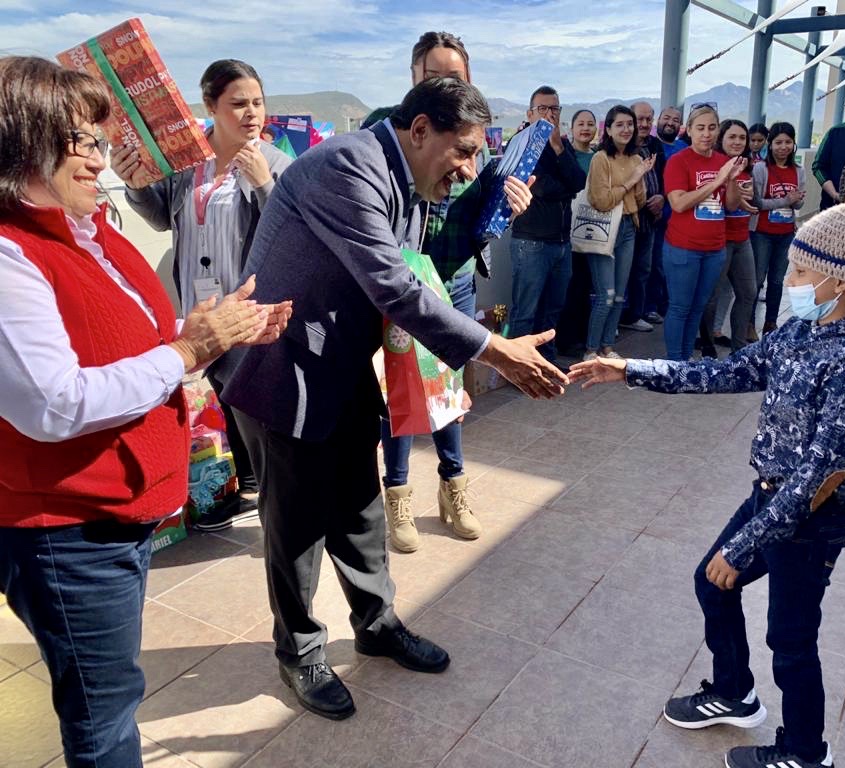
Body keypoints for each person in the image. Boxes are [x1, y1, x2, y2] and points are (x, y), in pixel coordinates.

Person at [220, 77, 569, 722]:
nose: (466, 170)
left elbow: (423, 267)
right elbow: (395, 288)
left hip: (341, 362)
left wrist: (494, 209)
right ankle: (300, 651)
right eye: (463, 152)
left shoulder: (407, 180)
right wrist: (496, 351)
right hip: (283, 364)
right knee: (296, 524)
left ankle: (376, 625)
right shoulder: (350, 166)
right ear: (421, 130)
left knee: (360, 506)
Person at [0, 56, 290, 767]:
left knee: (112, 696)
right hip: (67, 530)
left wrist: (217, 328)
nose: (100, 159)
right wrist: (190, 350)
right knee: (103, 720)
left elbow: (130, 335)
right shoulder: (11, 252)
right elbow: (55, 402)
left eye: (99, 140)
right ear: (24, 139)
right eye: (82, 140)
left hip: (114, 516)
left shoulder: (83, 228)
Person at [569, 204, 845, 768]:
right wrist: (631, 370)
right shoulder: (801, 332)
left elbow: (816, 481)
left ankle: (804, 753)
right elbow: (729, 370)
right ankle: (733, 692)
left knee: (791, 639)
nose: (790, 280)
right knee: (713, 582)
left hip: (810, 521)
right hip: (769, 497)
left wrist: (744, 545)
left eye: (801, 271)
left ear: (841, 280)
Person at [361, 32, 534, 553]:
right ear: (413, 77)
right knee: (398, 388)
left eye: (453, 77)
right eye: (432, 75)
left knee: (448, 391)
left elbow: (481, 214)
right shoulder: (385, 128)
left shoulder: (476, 138)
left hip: (454, 278)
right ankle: (397, 494)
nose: (442, 85)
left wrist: (508, 206)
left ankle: (453, 487)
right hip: (401, 283)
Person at [113, 59, 292, 532]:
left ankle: (278, 507)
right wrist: (135, 185)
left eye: (258, 103)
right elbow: (159, 217)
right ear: (210, 107)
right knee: (222, 399)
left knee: (252, 407)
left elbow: (291, 231)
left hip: (247, 310)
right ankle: (247, 489)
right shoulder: (186, 163)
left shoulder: (274, 163)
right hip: (199, 306)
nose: (252, 114)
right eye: (238, 104)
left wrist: (264, 184)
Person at [507, 85, 587, 364]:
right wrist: (567, 186)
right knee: (525, 312)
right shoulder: (521, 143)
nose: (549, 114)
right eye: (542, 108)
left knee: (552, 311)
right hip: (531, 242)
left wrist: (557, 147)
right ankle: (519, 367)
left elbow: (579, 181)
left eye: (554, 108)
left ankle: (546, 362)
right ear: (530, 114)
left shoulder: (561, 144)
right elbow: (542, 188)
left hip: (561, 242)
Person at [661, 104, 744, 361]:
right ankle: (674, 363)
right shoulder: (678, 161)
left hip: (714, 249)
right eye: (700, 128)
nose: (706, 134)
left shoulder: (722, 162)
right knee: (680, 307)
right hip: (683, 248)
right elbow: (678, 203)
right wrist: (717, 181)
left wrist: (732, 180)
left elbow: (731, 205)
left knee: (698, 308)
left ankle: (686, 361)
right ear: (689, 130)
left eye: (711, 128)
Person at [583, 105, 652, 360]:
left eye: (629, 124)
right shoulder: (601, 158)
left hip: (628, 227)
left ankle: (608, 346)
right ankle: (591, 350)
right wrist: (632, 180)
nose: (626, 129)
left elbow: (640, 201)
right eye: (620, 124)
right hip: (603, 228)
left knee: (620, 295)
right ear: (609, 129)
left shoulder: (636, 159)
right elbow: (602, 201)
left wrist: (640, 178)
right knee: (606, 295)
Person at [707, 119, 758, 353]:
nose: (738, 142)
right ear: (721, 139)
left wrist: (750, 198)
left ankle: (739, 349)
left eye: (742, 138)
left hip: (742, 238)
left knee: (748, 293)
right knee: (713, 296)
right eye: (732, 137)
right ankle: (707, 345)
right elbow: (724, 204)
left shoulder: (747, 166)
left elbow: (752, 201)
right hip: (721, 240)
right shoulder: (715, 166)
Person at [751, 122, 805, 337]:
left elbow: (798, 205)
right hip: (762, 232)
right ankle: (748, 323)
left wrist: (796, 200)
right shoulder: (761, 169)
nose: (783, 147)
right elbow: (756, 203)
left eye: (788, 142)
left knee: (776, 280)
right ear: (770, 144)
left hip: (786, 234)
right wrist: (785, 200)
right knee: (757, 280)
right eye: (778, 142)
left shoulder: (798, 171)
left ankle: (770, 323)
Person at [619, 100, 665, 333]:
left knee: (643, 270)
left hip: (650, 222)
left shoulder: (655, 145)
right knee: (621, 272)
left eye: (649, 119)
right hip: (627, 220)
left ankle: (635, 314)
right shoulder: (621, 148)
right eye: (640, 119)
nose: (645, 124)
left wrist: (662, 197)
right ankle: (616, 318)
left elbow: (664, 177)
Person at [556, 108, 598, 357]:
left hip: (593, 230)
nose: (585, 128)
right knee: (569, 288)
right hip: (567, 229)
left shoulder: (599, 157)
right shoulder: (565, 154)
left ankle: (582, 337)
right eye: (580, 123)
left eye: (590, 124)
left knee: (585, 287)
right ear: (571, 128)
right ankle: (566, 340)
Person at [644, 105, 688, 328]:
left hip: (678, 218)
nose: (670, 122)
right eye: (666, 118)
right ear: (658, 120)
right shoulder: (650, 146)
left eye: (676, 120)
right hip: (654, 217)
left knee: (672, 265)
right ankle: (650, 306)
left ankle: (667, 305)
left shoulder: (685, 149)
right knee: (653, 264)